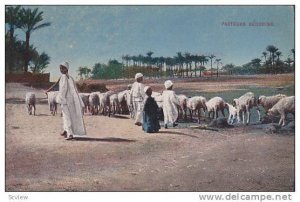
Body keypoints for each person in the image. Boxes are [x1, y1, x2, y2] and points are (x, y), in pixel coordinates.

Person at [46, 62, 86, 140]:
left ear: (66, 69)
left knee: (67, 116)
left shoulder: (64, 77)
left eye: (62, 68)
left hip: (65, 100)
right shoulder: (69, 77)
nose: (61, 70)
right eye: (60, 68)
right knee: (67, 115)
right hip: (71, 100)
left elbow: (63, 89)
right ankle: (65, 130)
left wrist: (60, 99)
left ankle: (70, 134)